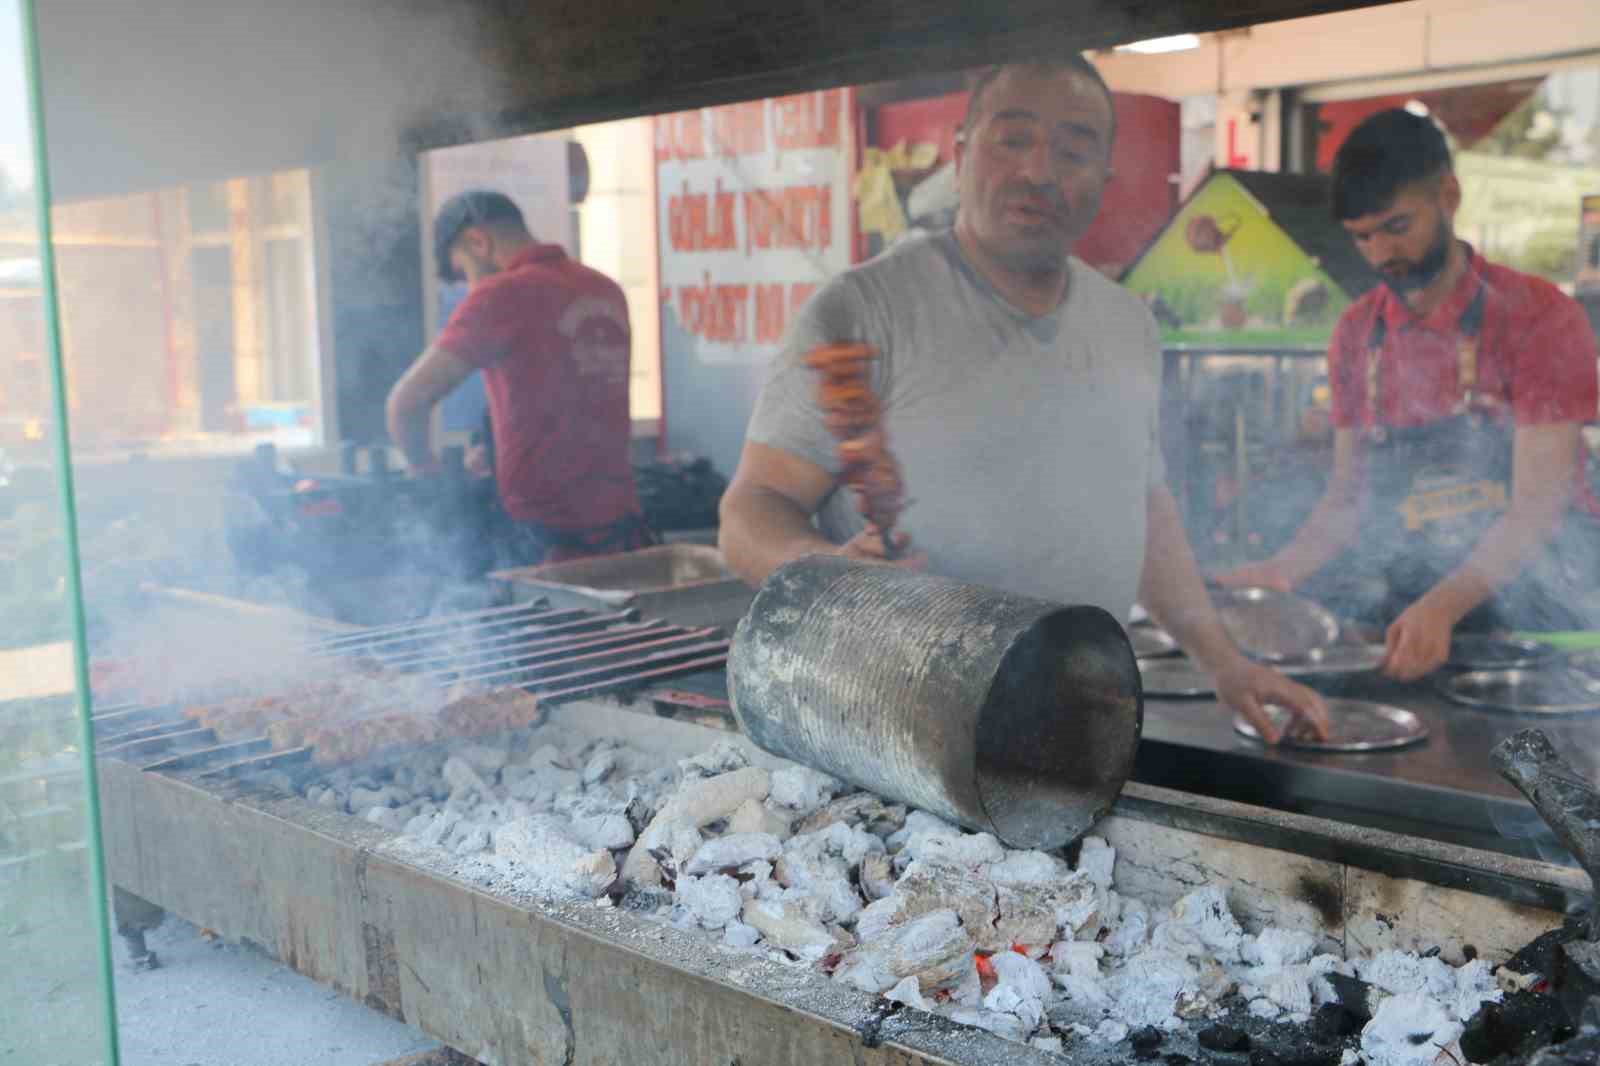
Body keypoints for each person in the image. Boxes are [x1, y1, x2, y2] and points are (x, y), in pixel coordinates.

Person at [719, 58, 1328, 744]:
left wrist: (1223, 661)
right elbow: (748, 513)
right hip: (897, 728)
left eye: (1072, 150)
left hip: (1084, 722)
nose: (1039, 171)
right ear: (961, 153)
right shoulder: (864, 310)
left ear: (1105, 178)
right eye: (1012, 139)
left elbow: (1146, 511)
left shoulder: (1129, 325)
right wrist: (823, 570)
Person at [1218, 109, 1600, 681]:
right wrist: (1282, 570)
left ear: (1448, 195)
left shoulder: (1540, 317)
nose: (1379, 255)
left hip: (1542, 611)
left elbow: (1536, 508)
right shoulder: (1355, 334)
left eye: (1397, 227)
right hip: (1417, 604)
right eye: (1361, 237)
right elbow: (1346, 500)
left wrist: (1445, 606)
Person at [385, 190, 652, 566]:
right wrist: (495, 451)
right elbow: (567, 397)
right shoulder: (605, 289)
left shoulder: (502, 294)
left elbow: (406, 404)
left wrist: (425, 473)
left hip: (546, 540)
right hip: (621, 530)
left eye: (463, 272)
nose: (468, 289)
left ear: (478, 242)